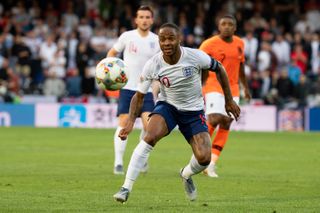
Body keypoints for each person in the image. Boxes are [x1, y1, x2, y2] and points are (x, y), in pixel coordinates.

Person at [113, 23, 240, 203]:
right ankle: (125, 188)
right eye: (162, 39)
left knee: (204, 158)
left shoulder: (195, 56)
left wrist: (229, 100)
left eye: (170, 38)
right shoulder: (153, 64)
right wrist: (130, 121)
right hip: (168, 107)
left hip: (194, 111)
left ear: (179, 39)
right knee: (149, 136)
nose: (166, 43)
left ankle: (186, 174)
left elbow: (219, 68)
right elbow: (139, 96)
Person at [107, 5, 160, 175]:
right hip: (128, 88)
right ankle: (118, 163)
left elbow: (161, 65)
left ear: (152, 20)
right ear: (136, 20)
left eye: (147, 17)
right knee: (123, 122)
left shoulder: (157, 40)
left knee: (149, 126)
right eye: (141, 17)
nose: (144, 20)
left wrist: (157, 86)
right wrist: (109, 70)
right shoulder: (127, 36)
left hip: (146, 90)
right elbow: (112, 53)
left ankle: (141, 159)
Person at [199, 15, 251, 178]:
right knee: (214, 118)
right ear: (218, 26)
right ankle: (199, 153)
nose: (227, 27)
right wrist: (199, 86)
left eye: (230, 24)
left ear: (235, 28)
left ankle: (211, 164)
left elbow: (241, 66)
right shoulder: (208, 44)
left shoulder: (240, 44)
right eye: (224, 24)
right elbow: (198, 65)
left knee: (227, 122)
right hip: (213, 84)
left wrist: (245, 88)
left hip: (233, 88)